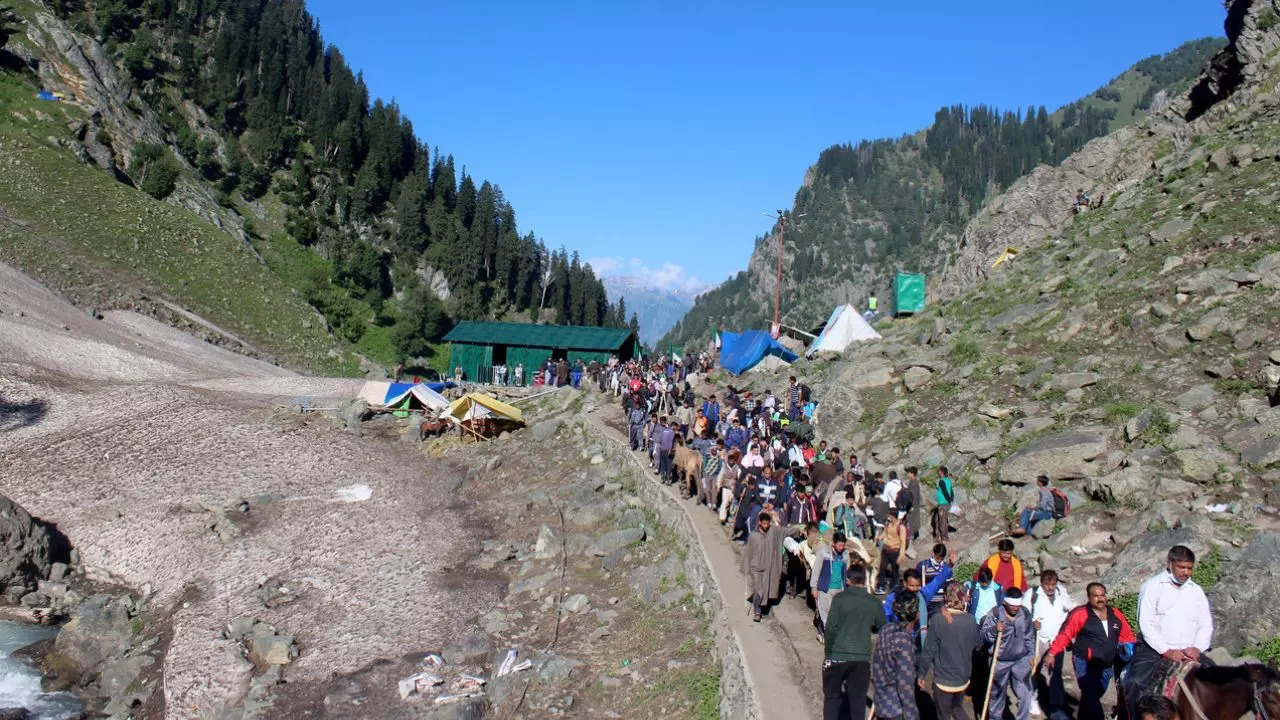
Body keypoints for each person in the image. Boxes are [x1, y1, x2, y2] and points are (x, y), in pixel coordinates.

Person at [1121, 545, 1213, 719]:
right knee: (1134, 683)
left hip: (1190, 650)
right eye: (1182, 567)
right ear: (1169, 563)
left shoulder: (1196, 591)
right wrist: (1166, 650)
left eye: (1189, 568)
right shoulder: (1152, 586)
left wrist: (1198, 648)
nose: (1186, 572)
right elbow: (1146, 623)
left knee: (1219, 680)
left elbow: (1206, 624)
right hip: (1156, 649)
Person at [1046, 582, 1136, 720]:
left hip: (1106, 666)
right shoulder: (1080, 614)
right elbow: (1065, 634)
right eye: (1096, 596)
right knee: (1091, 696)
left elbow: (1128, 637)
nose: (1100, 599)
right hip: (1084, 662)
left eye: (1102, 595)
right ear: (1088, 597)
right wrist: (1052, 653)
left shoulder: (1115, 614)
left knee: (1094, 696)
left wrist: (1131, 653)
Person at [823, 564, 884, 720]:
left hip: (837, 655)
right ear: (864, 580)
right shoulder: (874, 602)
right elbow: (883, 627)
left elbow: (830, 629)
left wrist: (828, 653)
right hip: (861, 658)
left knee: (832, 698)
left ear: (848, 580)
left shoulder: (840, 599)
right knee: (858, 701)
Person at [918, 581, 983, 720]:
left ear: (946, 598)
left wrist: (921, 674)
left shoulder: (937, 620)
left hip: (944, 681)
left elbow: (928, 651)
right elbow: (977, 644)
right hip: (963, 678)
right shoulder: (970, 620)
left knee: (943, 715)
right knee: (957, 707)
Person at [981, 588, 1037, 720]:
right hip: (999, 661)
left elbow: (1029, 636)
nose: (1016, 608)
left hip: (1021, 659)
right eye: (1013, 605)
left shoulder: (1024, 613)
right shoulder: (995, 614)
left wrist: (1031, 655)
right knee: (997, 695)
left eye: (1018, 605)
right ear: (1005, 603)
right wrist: (995, 630)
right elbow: (984, 637)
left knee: (1026, 693)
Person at [1029, 569, 1074, 719]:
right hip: (1039, 639)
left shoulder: (1061, 592)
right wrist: (1032, 623)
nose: (1050, 588)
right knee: (1034, 670)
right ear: (1041, 583)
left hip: (1057, 639)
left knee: (1056, 673)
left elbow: (1069, 608)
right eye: (1047, 584)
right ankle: (1032, 698)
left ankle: (1055, 707)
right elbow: (1023, 614)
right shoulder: (1032, 594)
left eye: (1053, 584)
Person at [873, 590, 920, 720]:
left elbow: (876, 666)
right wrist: (912, 715)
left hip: (881, 703)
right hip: (895, 710)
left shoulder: (885, 630)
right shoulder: (905, 641)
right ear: (917, 615)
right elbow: (905, 685)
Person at [743, 510, 784, 622]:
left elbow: (783, 531)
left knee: (764, 591)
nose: (766, 526)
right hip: (755, 568)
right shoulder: (753, 536)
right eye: (764, 523)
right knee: (759, 590)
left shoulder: (772, 533)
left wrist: (798, 530)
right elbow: (747, 553)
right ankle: (757, 612)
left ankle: (760, 608)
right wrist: (746, 569)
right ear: (760, 522)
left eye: (767, 523)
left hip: (766, 569)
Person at [812, 531, 851, 642]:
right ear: (833, 543)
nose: (841, 547)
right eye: (839, 545)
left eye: (843, 545)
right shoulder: (824, 553)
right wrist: (814, 587)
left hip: (839, 588)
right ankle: (824, 634)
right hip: (825, 588)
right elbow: (816, 570)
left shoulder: (845, 554)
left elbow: (846, 570)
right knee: (825, 612)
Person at [876, 512, 907, 594]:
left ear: (894, 517)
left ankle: (894, 585)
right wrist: (879, 537)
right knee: (882, 567)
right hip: (886, 549)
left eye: (890, 516)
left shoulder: (901, 527)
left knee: (895, 569)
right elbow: (885, 533)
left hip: (894, 550)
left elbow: (903, 541)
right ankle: (881, 585)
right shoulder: (888, 524)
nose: (889, 518)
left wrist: (902, 554)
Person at [919, 544, 950, 616]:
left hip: (940, 603)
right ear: (933, 553)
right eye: (937, 558)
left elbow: (948, 585)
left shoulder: (946, 568)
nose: (939, 561)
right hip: (926, 602)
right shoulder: (923, 565)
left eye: (941, 559)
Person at [934, 466, 955, 542]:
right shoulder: (948, 481)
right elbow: (951, 491)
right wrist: (951, 500)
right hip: (946, 503)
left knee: (942, 521)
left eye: (939, 471)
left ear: (941, 472)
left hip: (943, 504)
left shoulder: (941, 481)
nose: (938, 473)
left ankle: (945, 538)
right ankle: (938, 536)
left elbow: (945, 491)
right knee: (938, 519)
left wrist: (949, 500)